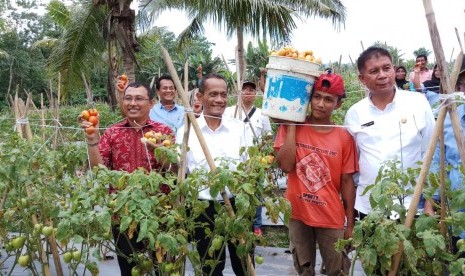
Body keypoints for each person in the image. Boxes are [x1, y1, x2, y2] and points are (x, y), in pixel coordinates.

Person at [80, 82, 177, 275]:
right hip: (123, 214)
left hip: (159, 212)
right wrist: (92, 140)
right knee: (129, 268)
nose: (132, 103)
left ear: (151, 103)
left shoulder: (163, 132)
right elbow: (100, 171)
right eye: (128, 98)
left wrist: (160, 153)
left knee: (162, 268)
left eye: (139, 98)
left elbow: (175, 171)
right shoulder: (113, 132)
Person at [274, 70, 358, 276]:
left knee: (337, 270)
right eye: (317, 97)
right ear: (309, 98)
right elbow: (285, 165)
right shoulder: (290, 127)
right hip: (297, 214)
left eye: (329, 99)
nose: (321, 104)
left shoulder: (344, 137)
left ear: (338, 104)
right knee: (304, 270)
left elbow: (347, 182)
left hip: (331, 216)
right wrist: (293, 125)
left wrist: (350, 224)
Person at [344, 46, 435, 219]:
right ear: (362, 78)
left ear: (393, 70)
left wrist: (429, 203)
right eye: (374, 71)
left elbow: (431, 153)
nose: (382, 75)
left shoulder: (417, 103)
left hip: (411, 204)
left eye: (386, 68)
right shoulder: (355, 113)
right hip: (369, 207)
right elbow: (352, 162)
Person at [176, 73, 253, 276]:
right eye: (213, 94)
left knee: (244, 263)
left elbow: (249, 169)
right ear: (200, 97)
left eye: (223, 94)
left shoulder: (239, 129)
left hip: (238, 205)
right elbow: (179, 170)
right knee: (210, 267)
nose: (219, 99)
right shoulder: (187, 131)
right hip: (204, 208)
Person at [424, 61, 465, 257]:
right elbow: (438, 162)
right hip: (458, 213)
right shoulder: (447, 118)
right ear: (459, 86)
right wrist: (431, 200)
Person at [224, 80, 272, 236]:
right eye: (245, 89)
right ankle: (234, 220)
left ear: (256, 94)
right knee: (233, 191)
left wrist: (258, 154)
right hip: (234, 160)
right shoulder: (230, 112)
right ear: (239, 92)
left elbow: (268, 137)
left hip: (255, 160)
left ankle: (256, 224)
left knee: (255, 192)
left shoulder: (262, 114)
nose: (248, 92)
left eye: (252, 90)